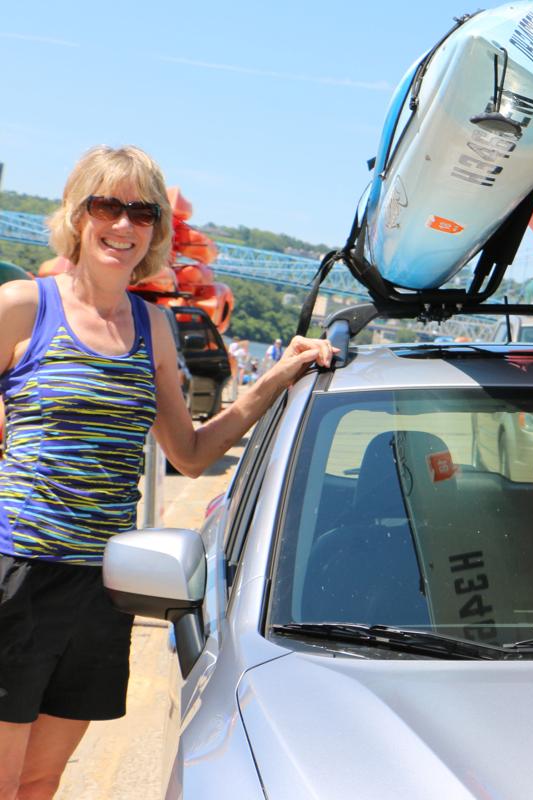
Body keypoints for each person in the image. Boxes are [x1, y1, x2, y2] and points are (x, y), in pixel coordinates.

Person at [0, 145, 334, 799]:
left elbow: (190, 453)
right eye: (106, 206)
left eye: (141, 212)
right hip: (17, 573)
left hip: (104, 585)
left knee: (41, 781)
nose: (122, 226)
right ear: (77, 213)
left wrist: (276, 377)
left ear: (156, 230)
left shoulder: (153, 326)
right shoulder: (23, 306)